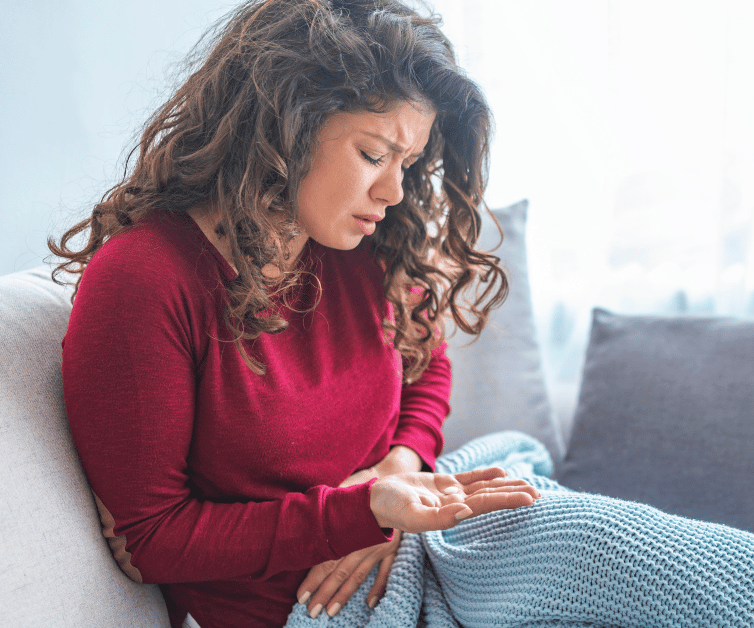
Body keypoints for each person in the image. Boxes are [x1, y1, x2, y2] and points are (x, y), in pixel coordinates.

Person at [50, 1, 540, 627]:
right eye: (373, 154)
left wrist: (401, 467)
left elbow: (428, 365)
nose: (393, 192)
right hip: (312, 608)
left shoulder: (359, 247)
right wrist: (365, 513)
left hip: (419, 538)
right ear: (287, 126)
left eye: (408, 165)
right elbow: (152, 539)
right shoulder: (147, 280)